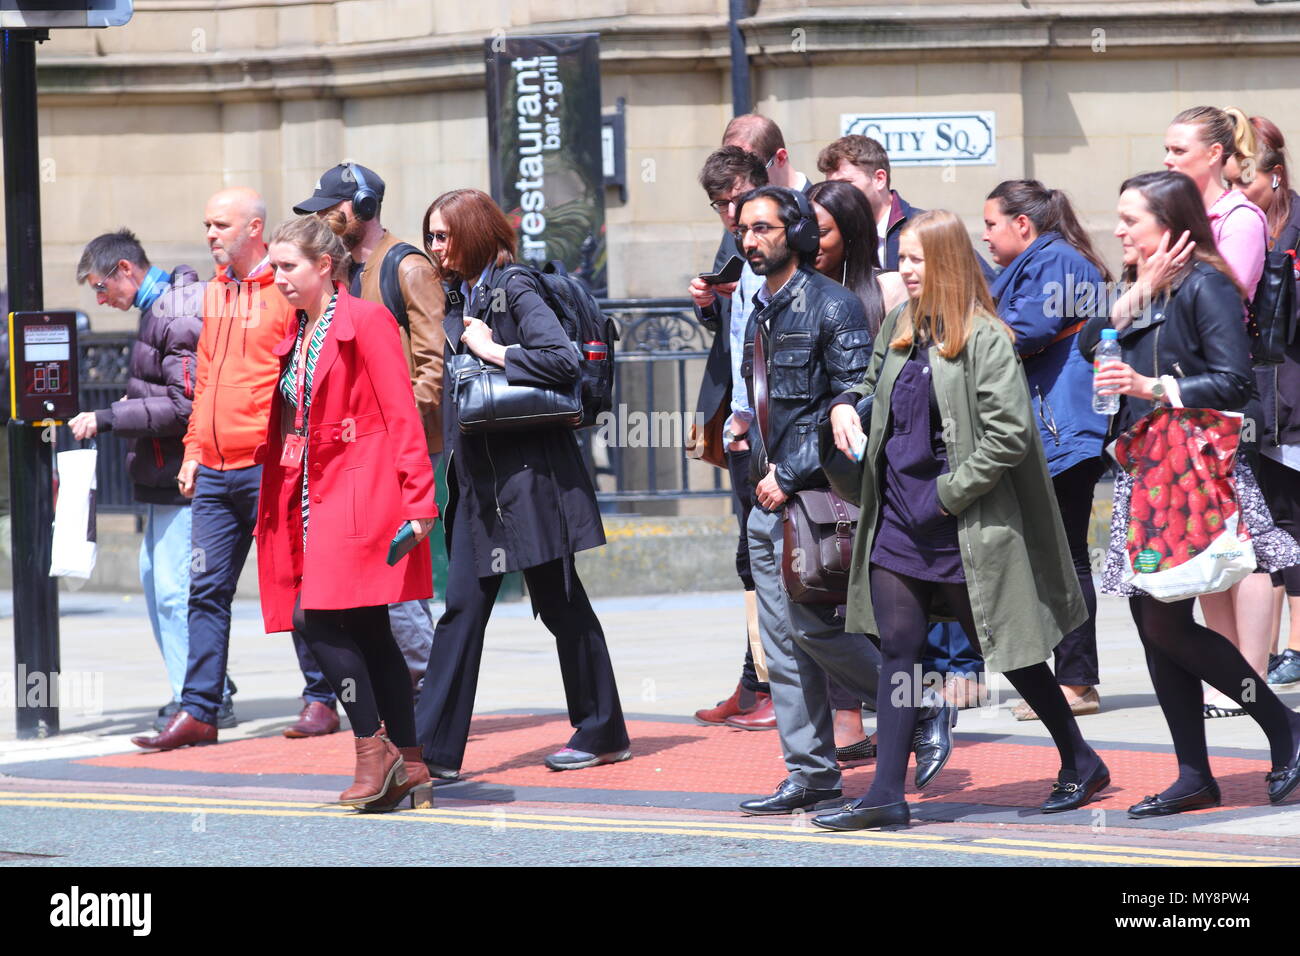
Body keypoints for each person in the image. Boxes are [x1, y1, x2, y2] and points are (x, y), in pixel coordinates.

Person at [816, 210, 1108, 831]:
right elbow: (867, 385)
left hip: (961, 523)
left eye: (918, 259)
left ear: (947, 261)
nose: (906, 270)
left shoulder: (984, 335)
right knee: (898, 649)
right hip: (896, 514)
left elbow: (1006, 437)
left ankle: (1080, 759)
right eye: (903, 259)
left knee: (1003, 648)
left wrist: (949, 494)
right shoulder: (899, 324)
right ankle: (886, 795)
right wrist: (845, 406)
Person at [1081, 169, 1300, 816]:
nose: (1118, 228)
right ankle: (1193, 772)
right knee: (1156, 623)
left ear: (1170, 227)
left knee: (1163, 621)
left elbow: (1235, 383)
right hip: (1146, 471)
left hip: (1188, 473)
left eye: (1131, 219)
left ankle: (1282, 727)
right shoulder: (1149, 287)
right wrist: (1139, 291)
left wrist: (1155, 390)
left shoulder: (1207, 285)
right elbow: (1096, 341)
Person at [415, 188, 631, 776]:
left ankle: (601, 730)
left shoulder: (516, 286)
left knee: (560, 606)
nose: (436, 246)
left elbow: (562, 361)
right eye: (431, 235)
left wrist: (493, 348)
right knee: (461, 608)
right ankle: (428, 751)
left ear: (476, 233)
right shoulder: (464, 291)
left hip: (531, 481)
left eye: (445, 235)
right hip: (483, 486)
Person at [137, 188, 341, 751]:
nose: (210, 234)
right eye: (206, 224)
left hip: (269, 465)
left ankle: (322, 697)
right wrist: (193, 451)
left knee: (296, 579)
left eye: (220, 225)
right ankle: (199, 709)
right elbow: (204, 380)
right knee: (205, 590)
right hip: (216, 469)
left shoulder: (282, 290)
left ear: (255, 228)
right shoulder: (214, 292)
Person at [255, 215, 438, 811]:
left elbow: (401, 411)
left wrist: (420, 498)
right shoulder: (300, 328)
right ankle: (411, 765)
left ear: (324, 265)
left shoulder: (366, 320)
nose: (277, 277)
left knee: (315, 619)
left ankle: (371, 748)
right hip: (312, 491)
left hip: (361, 492)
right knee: (368, 629)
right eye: (274, 266)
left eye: (289, 266)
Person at [730, 185, 886, 816]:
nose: (749, 240)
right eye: (744, 229)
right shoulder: (759, 310)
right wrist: (745, 434)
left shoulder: (834, 306)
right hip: (764, 497)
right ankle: (811, 773)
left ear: (794, 233)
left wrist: (789, 472)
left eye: (763, 228)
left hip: (815, 500)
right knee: (782, 644)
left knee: (814, 630)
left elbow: (853, 399)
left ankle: (917, 703)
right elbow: (771, 404)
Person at [294, 163, 445, 694]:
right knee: (366, 585)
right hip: (353, 454)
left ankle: (428, 697)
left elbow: (433, 367)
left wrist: (392, 426)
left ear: (360, 207)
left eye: (330, 209)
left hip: (403, 451)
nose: (322, 219)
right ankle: (395, 699)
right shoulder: (342, 271)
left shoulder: (405, 267)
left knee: (400, 581)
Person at [982, 180, 1112, 720]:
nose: (985, 236)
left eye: (991, 224)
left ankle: (1077, 682)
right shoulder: (1044, 259)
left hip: (1065, 429)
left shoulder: (1054, 259)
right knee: (1054, 556)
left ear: (1022, 224)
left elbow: (1026, 331)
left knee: (1066, 557)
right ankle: (1071, 678)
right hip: (1057, 427)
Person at [1163, 106, 1277, 715]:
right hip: (1181, 400)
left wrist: (1165, 276)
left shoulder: (1239, 217)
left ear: (1214, 154)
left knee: (1249, 541)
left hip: (1227, 397)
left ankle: (1252, 677)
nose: (1168, 159)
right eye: (1166, 148)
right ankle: (1226, 678)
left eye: (1179, 149)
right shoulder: (1184, 218)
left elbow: (1221, 296)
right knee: (1208, 541)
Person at [69, 231, 206, 738]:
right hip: (162, 475)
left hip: (184, 474)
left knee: (175, 590)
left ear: (126, 269)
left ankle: (199, 696)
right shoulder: (159, 311)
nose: (102, 300)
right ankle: (196, 689)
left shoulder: (177, 311)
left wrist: (107, 417)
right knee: (157, 583)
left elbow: (182, 405)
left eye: (102, 287)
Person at [805, 179, 912, 759]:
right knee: (827, 594)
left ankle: (913, 708)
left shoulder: (889, 289)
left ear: (849, 231)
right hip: (822, 465)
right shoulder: (799, 291)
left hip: (881, 464)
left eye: (822, 230)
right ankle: (847, 720)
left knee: (883, 601)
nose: (811, 240)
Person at [688, 146, 775, 730]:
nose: (729, 218)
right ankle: (756, 683)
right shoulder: (740, 253)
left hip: (774, 431)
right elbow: (738, 334)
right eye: (720, 207)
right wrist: (707, 305)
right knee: (752, 558)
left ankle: (779, 687)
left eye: (736, 202)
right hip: (745, 426)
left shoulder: (779, 249)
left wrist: (749, 421)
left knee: (773, 559)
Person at [1231, 116, 1300, 687]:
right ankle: (1273, 649)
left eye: (1247, 178)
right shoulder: (1246, 231)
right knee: (1271, 523)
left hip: (1293, 400)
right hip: (1258, 403)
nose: (1239, 191)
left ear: (1275, 176)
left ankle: (1297, 645)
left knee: (1294, 520)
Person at [817, 135, 921, 270]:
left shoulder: (923, 230)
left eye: (846, 183)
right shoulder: (832, 235)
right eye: (831, 185)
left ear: (879, 179)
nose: (837, 193)